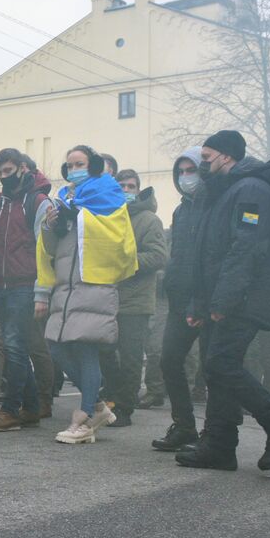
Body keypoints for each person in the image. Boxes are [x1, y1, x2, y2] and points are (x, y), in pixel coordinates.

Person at [178, 130, 270, 471]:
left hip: (242, 298)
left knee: (222, 364)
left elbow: (244, 249)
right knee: (216, 368)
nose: (201, 165)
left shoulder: (251, 190)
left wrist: (222, 301)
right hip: (223, 297)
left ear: (226, 156)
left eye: (206, 158)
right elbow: (208, 255)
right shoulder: (223, 191)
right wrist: (201, 303)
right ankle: (219, 446)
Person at [38, 145, 136, 444]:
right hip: (66, 285)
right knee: (56, 347)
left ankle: (82, 420)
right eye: (69, 164)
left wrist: (78, 215)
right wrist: (53, 225)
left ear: (92, 165)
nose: (74, 169)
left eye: (79, 163)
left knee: (85, 349)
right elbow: (55, 246)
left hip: (94, 283)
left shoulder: (108, 191)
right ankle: (97, 407)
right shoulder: (67, 196)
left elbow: (115, 237)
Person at [0, 148, 55, 431]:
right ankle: (30, 407)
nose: (3, 177)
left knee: (16, 348)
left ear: (21, 168)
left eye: (8, 171)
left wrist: (42, 292)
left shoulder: (38, 201)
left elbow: (45, 251)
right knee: (13, 347)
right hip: (2, 283)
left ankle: (10, 410)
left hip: (25, 285)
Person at [98, 169, 168, 427]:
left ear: (138, 190)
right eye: (122, 186)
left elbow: (159, 256)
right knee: (104, 352)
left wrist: (127, 262)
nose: (126, 191)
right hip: (107, 297)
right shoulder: (109, 215)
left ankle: (125, 408)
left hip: (136, 300)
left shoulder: (149, 220)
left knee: (130, 356)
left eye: (131, 186)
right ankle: (112, 398)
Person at [152, 148, 207, 453]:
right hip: (180, 297)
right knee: (169, 359)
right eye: (181, 172)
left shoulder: (215, 205)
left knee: (215, 368)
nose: (186, 177)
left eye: (192, 170)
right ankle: (184, 426)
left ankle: (216, 431)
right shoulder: (182, 210)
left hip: (206, 299)